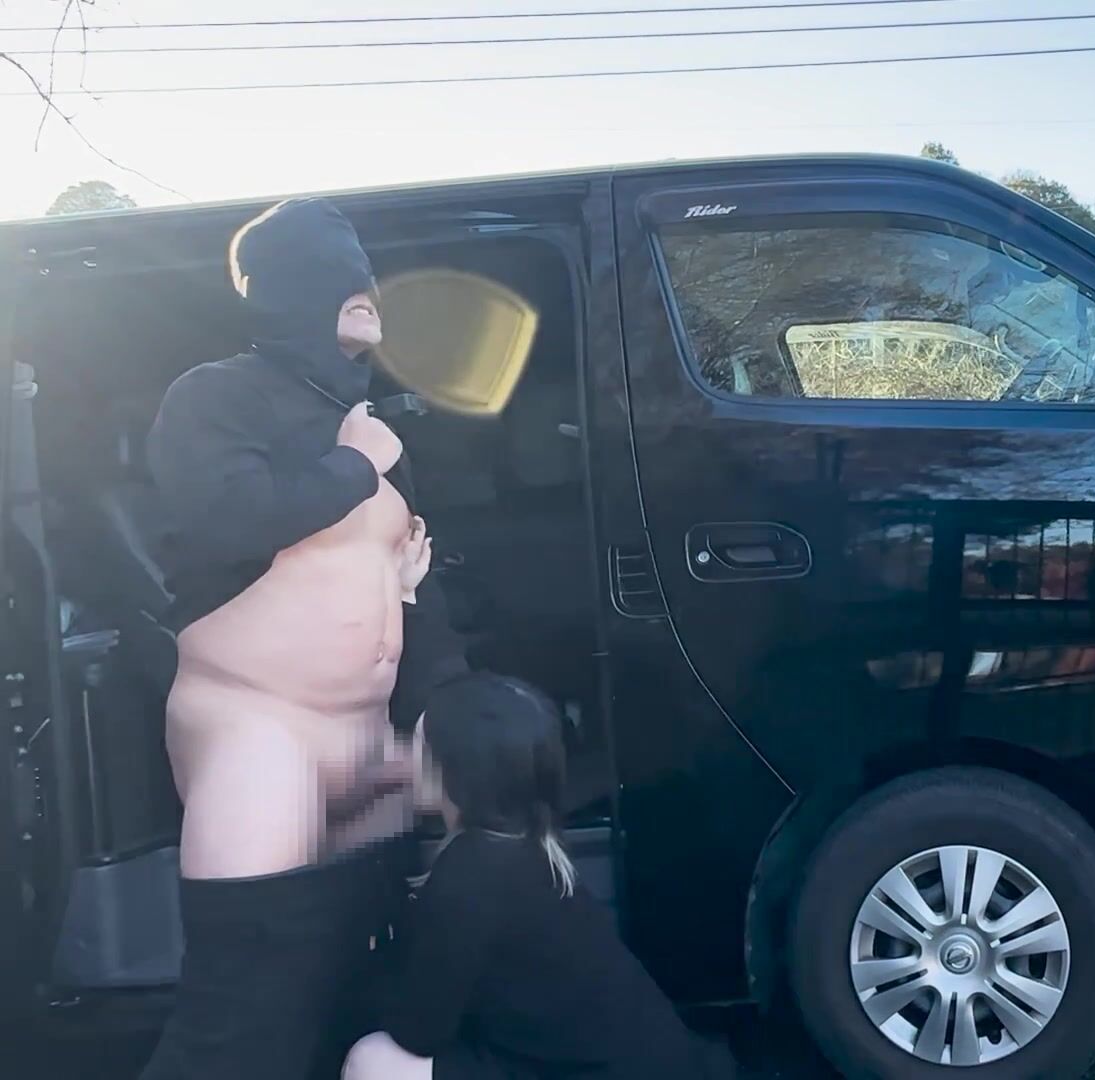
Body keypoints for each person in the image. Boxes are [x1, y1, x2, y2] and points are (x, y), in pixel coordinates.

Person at [139, 197, 469, 1080]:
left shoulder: (373, 423)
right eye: (337, 276)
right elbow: (226, 518)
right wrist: (356, 464)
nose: (367, 292)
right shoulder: (214, 395)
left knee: (354, 982)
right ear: (287, 290)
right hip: (259, 725)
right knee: (248, 1004)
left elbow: (409, 574)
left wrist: (445, 703)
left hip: (364, 734)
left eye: (367, 276)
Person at [342, 674, 737, 1080]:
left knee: (371, 1061)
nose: (406, 758)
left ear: (454, 767)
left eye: (416, 744)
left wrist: (361, 977)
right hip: (645, 1063)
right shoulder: (525, 845)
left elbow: (419, 1031)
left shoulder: (473, 869)